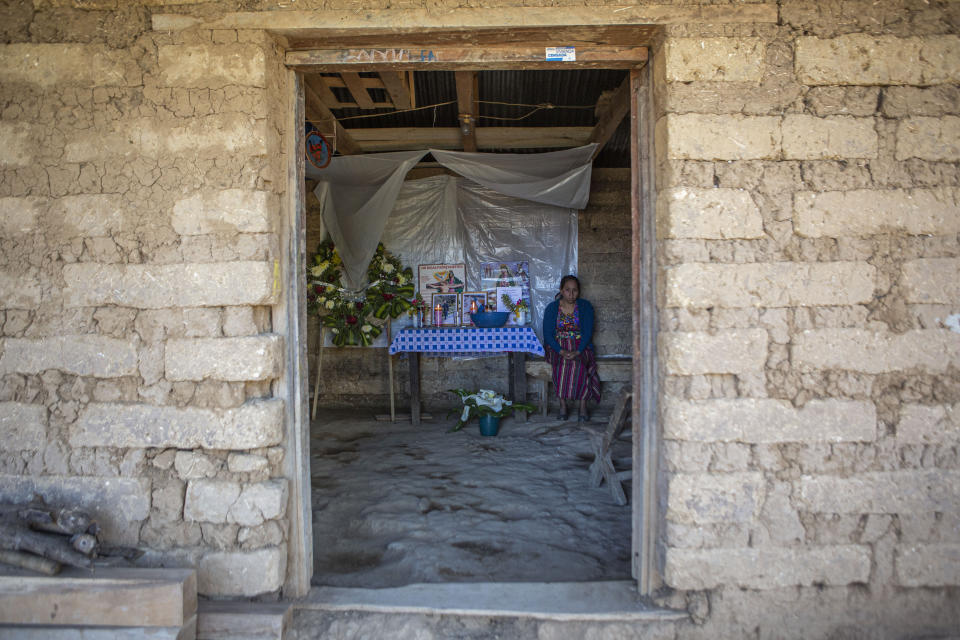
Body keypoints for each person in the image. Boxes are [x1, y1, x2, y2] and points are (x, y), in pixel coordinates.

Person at [541, 275, 601, 422]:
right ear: (561, 290)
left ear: (579, 291)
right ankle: (562, 405)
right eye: (567, 290)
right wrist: (561, 351)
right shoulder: (552, 308)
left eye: (575, 290)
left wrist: (578, 351)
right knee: (560, 364)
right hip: (557, 346)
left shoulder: (585, 307)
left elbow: (587, 332)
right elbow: (548, 334)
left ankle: (582, 405)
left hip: (581, 346)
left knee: (579, 364)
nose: (571, 294)